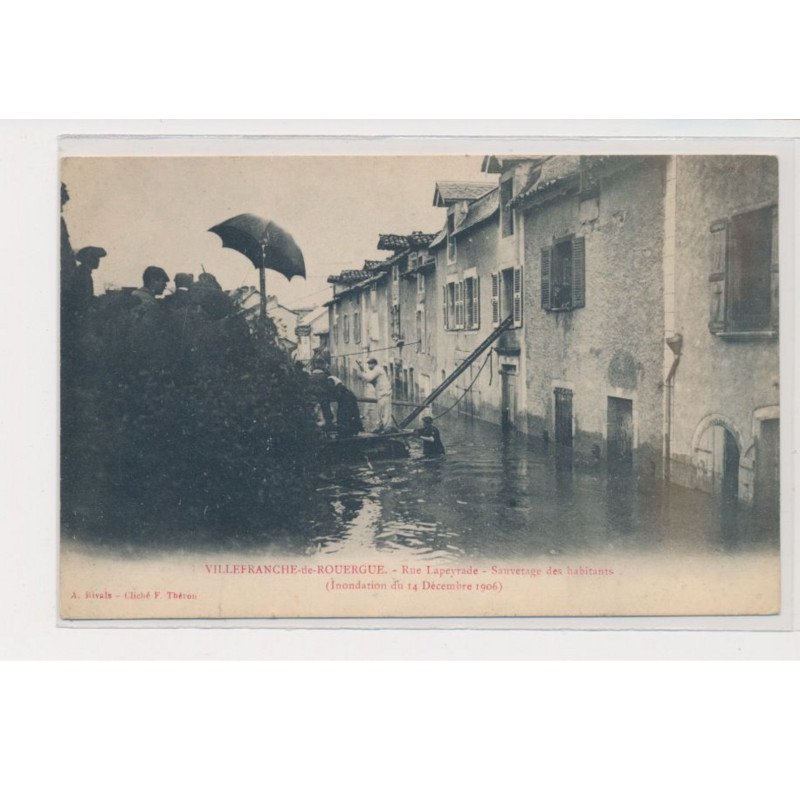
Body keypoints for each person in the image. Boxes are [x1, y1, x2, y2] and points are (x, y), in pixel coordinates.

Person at [358, 357, 392, 432]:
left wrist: (363, 374)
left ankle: (385, 428)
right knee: (380, 411)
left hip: (385, 393)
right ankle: (379, 427)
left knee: (385, 411)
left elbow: (369, 378)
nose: (369, 366)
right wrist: (364, 375)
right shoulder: (375, 370)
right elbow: (369, 378)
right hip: (380, 394)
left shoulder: (377, 369)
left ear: (374, 364)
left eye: (370, 364)